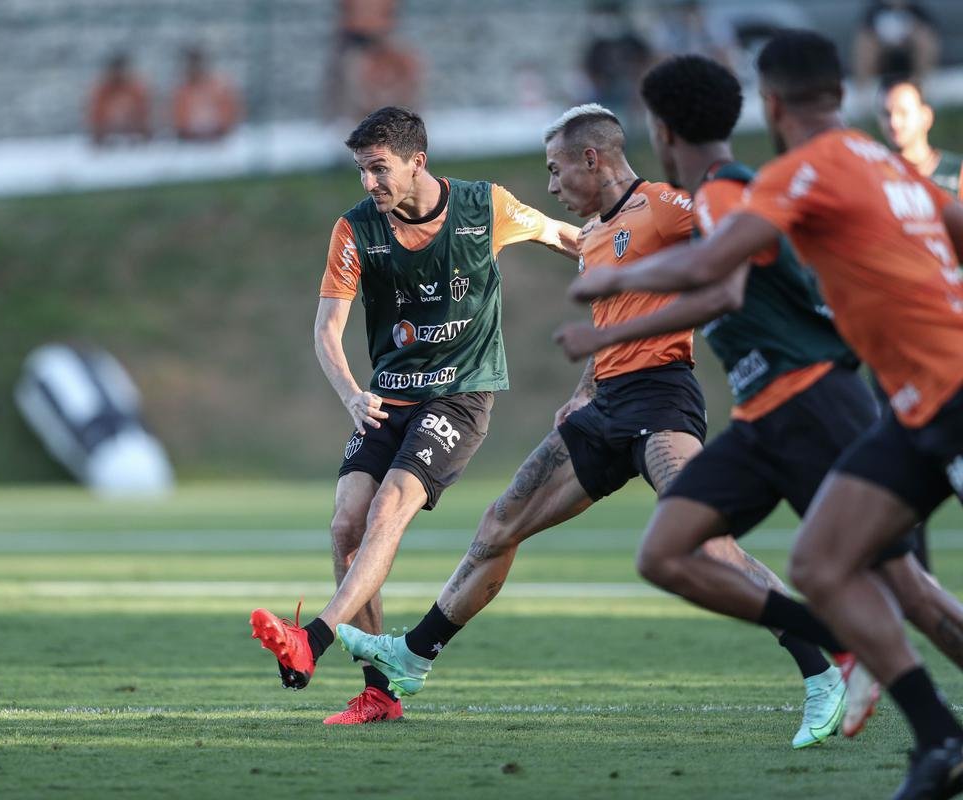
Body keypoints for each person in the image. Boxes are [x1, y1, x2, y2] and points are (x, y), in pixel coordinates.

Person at [335, 102, 838, 746]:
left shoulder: (663, 206)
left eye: (555, 169)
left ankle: (822, 669)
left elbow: (749, 234)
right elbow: (612, 329)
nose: (550, 186)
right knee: (499, 524)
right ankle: (413, 657)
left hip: (662, 402)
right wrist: (583, 390)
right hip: (606, 408)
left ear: (591, 159)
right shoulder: (596, 237)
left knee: (706, 541)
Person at [565, 30, 963, 800]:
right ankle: (938, 736)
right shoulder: (887, 166)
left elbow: (717, 273)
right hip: (900, 406)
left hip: (890, 396)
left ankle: (926, 725)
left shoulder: (785, 176)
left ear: (772, 103)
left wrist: (605, 296)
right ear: (842, 94)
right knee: (820, 564)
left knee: (894, 582)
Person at [249, 106, 581, 725]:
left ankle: (313, 640)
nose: (370, 183)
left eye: (379, 169)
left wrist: (631, 260)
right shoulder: (354, 231)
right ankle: (381, 692)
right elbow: (327, 329)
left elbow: (565, 237)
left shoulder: (485, 208)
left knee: (388, 508)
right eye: (362, 171)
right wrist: (351, 393)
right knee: (346, 526)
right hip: (385, 397)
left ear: (416, 161)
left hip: (459, 395)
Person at [878, 77, 962, 200]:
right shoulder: (877, 177)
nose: (893, 122)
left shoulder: (957, 173)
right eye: (886, 114)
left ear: (926, 117)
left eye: (903, 112)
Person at [853, 0, 939, 85]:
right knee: (864, 44)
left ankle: (922, 85)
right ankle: (864, 90)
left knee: (924, 39)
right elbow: (865, 33)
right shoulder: (873, 11)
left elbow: (929, 34)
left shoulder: (917, 10)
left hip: (908, 49)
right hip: (881, 51)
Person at [169, 47, 241, 142]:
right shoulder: (181, 92)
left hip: (218, 143)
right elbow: (177, 122)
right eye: (191, 65)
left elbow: (231, 117)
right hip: (190, 143)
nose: (194, 68)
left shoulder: (220, 88)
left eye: (197, 64)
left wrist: (221, 130)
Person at [87, 53, 152, 146]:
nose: (118, 73)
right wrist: (99, 132)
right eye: (116, 70)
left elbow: (144, 111)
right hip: (108, 135)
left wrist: (142, 130)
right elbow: (95, 113)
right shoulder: (102, 91)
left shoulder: (134, 89)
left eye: (120, 70)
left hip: (132, 134)